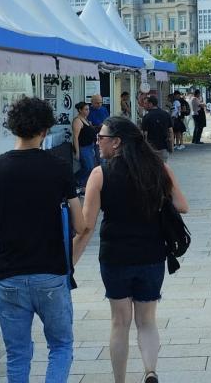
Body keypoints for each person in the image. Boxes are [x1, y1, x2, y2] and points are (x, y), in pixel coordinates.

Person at [0, 97, 92, 383]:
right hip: (50, 272)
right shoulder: (58, 167)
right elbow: (81, 225)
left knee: (17, 353)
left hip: (10, 272)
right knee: (61, 345)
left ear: (13, 127)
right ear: (45, 129)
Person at [78, 117, 188, 383]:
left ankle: (120, 381)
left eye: (101, 137)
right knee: (147, 320)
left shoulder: (99, 174)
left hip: (115, 256)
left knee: (120, 321)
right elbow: (182, 205)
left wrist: (71, 258)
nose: (97, 142)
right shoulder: (158, 169)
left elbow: (87, 225)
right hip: (151, 255)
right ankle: (150, 370)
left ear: (116, 142)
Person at [72, 102, 98, 191]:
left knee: (90, 168)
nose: (88, 111)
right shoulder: (77, 121)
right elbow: (75, 137)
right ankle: (73, 181)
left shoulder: (85, 119)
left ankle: (82, 187)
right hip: (83, 148)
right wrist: (77, 152)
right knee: (88, 167)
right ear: (80, 110)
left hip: (89, 147)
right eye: (86, 109)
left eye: (88, 109)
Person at [141, 96, 174, 162]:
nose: (144, 105)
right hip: (164, 147)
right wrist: (171, 146)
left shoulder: (146, 117)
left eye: (146, 104)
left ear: (150, 104)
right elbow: (170, 131)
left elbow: (145, 134)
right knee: (164, 167)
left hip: (152, 147)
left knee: (153, 168)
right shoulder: (166, 114)